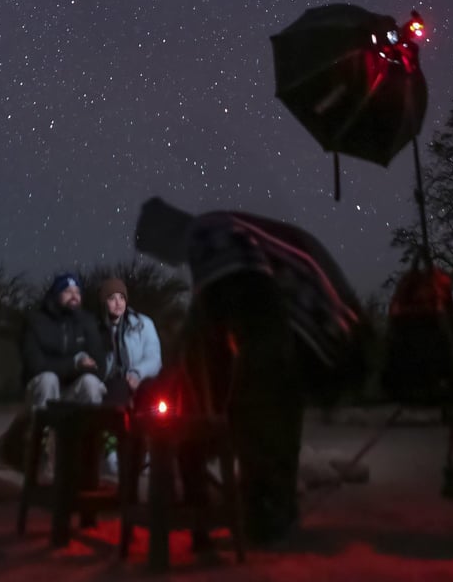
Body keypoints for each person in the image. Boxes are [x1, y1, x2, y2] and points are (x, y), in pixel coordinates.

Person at [135, 196, 367, 547]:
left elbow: (239, 318)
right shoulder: (212, 233)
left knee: (260, 412)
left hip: (295, 328)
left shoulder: (207, 236)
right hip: (300, 324)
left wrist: (207, 404)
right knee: (271, 411)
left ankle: (267, 518)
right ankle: (271, 515)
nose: (166, 261)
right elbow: (206, 323)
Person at [0, 272, 106, 471]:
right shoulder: (36, 321)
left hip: (72, 390)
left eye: (77, 291)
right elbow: (35, 365)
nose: (74, 296)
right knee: (47, 379)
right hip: (42, 391)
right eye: (68, 291)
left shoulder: (87, 321)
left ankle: (87, 454)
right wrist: (74, 364)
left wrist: (78, 369)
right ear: (55, 295)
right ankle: (42, 454)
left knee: (92, 384)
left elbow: (99, 365)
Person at [99, 276, 162, 408]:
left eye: (121, 298)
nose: (118, 303)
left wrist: (137, 373)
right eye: (112, 298)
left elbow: (154, 357)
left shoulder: (142, 324)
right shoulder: (98, 328)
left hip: (140, 380)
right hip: (110, 384)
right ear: (104, 302)